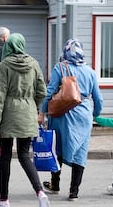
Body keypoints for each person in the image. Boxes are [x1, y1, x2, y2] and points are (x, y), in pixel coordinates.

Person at [0, 33, 50, 207]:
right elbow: (42, 92)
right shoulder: (34, 63)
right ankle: (40, 192)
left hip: (8, 113)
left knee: (6, 156)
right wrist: (32, 105)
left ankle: (4, 198)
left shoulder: (4, 65)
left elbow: (0, 96)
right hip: (28, 113)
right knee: (24, 155)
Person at [38, 39, 103, 201]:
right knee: (80, 153)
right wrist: (95, 114)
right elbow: (98, 98)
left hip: (62, 115)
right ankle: (74, 191)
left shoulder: (60, 67)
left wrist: (42, 112)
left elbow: (50, 91)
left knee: (57, 148)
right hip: (84, 115)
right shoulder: (91, 72)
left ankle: (55, 184)